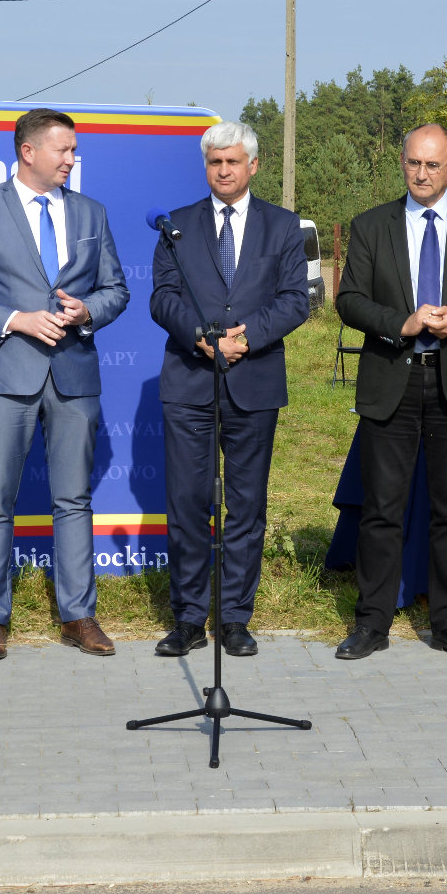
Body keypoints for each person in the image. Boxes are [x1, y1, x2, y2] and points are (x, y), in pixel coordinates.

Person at [0, 107, 130, 660]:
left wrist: (87, 311)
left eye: (74, 150)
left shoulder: (91, 212)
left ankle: (79, 616)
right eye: (63, 149)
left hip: (74, 375)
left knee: (74, 499)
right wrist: (15, 319)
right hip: (4, 373)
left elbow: (116, 290)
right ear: (28, 152)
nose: (72, 158)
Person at [332, 123, 447, 662]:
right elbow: (350, 300)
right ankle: (372, 623)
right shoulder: (373, 225)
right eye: (413, 162)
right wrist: (402, 324)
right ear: (403, 162)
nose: (420, 173)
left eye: (432, 165)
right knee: (381, 509)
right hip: (392, 377)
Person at [148, 122, 310, 658]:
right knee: (188, 503)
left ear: (253, 166)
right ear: (206, 166)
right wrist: (201, 336)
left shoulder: (283, 226)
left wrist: (246, 338)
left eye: (233, 162)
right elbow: (162, 297)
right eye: (215, 162)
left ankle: (236, 618)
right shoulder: (175, 226)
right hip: (189, 382)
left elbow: (296, 299)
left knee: (245, 505)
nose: (223, 171)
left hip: (254, 382)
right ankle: (189, 618)